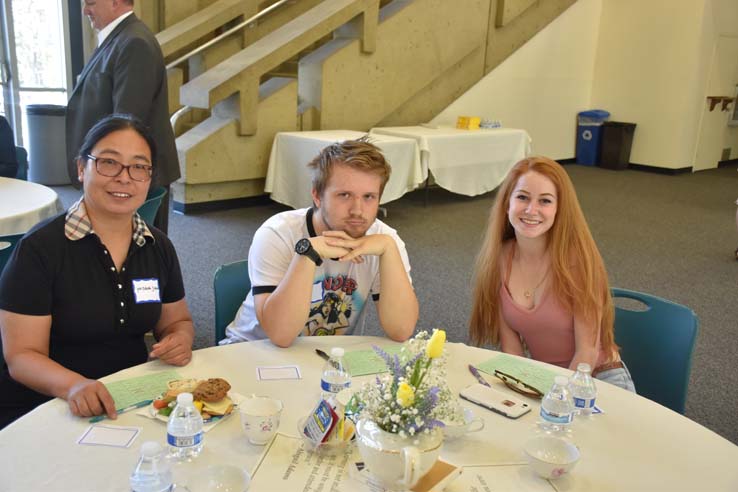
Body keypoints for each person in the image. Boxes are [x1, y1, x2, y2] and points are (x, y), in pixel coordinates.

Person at [0, 114, 194, 429]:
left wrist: (180, 338)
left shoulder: (158, 246)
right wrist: (73, 385)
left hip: (128, 397)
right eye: (108, 163)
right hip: (46, 403)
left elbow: (178, 321)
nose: (124, 177)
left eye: (139, 167)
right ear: (81, 168)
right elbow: (21, 357)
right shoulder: (40, 250)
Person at [222, 138, 418, 347]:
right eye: (344, 195)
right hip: (253, 348)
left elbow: (401, 330)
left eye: (369, 196)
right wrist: (307, 253)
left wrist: (389, 249)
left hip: (323, 356)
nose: (357, 210)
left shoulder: (384, 240)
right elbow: (280, 336)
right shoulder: (277, 233)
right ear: (317, 195)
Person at [469, 156, 635, 391]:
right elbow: (512, 350)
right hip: (544, 380)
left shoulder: (579, 262)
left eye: (545, 201)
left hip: (596, 378)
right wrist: (524, 392)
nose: (531, 210)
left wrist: (551, 401)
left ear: (559, 209)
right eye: (522, 197)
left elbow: (586, 352)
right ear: (507, 203)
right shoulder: (497, 260)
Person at [66, 0, 179, 233]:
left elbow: (127, 125)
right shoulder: (118, 38)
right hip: (115, 172)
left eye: (91, 3)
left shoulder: (134, 42)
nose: (86, 10)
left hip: (128, 177)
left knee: (137, 257)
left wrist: (108, 173)